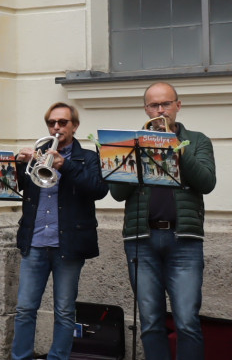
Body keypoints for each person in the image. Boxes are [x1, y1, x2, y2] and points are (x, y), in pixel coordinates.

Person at [109, 82, 216, 360]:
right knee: (151, 322)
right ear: (146, 108)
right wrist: (135, 155)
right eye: (154, 105)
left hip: (184, 241)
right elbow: (118, 194)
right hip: (141, 242)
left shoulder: (197, 139)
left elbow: (206, 182)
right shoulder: (131, 141)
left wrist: (176, 147)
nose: (160, 111)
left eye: (166, 104)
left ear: (178, 105)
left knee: (187, 321)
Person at [8, 103, 107, 360]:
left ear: (74, 126)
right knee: (25, 309)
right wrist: (19, 166)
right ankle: (21, 357)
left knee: (64, 311)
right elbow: (17, 189)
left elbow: (98, 189)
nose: (56, 127)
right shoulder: (39, 155)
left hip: (68, 245)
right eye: (52, 123)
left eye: (63, 123)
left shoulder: (89, 158)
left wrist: (66, 166)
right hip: (36, 242)